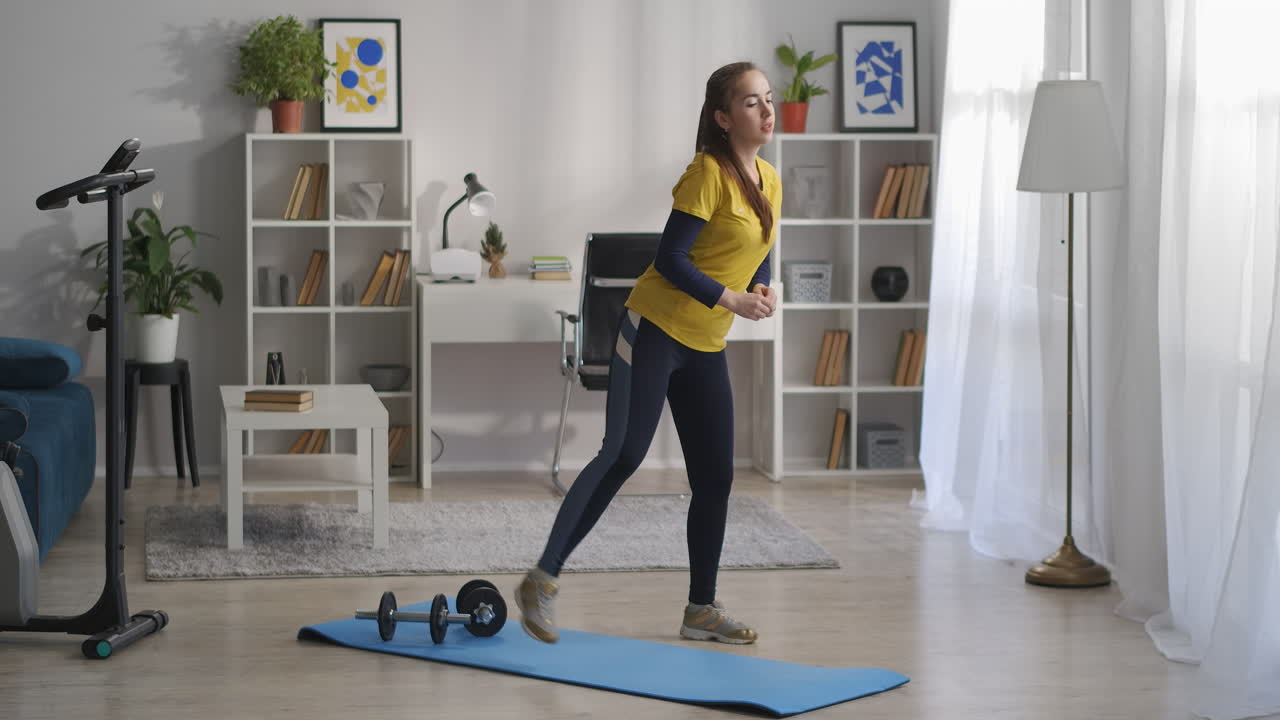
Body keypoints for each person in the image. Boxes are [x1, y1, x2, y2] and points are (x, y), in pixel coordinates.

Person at [515, 61, 781, 645]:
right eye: (751, 102)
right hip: (655, 329)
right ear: (722, 117)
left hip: (705, 343)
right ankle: (542, 579)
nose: (767, 110)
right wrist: (732, 298)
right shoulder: (706, 173)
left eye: (768, 99)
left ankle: (701, 610)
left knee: (715, 478)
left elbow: (759, 245)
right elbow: (670, 259)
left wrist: (762, 286)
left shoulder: (768, 177)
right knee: (624, 453)